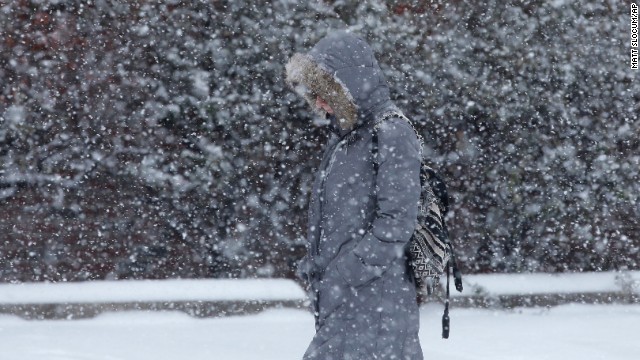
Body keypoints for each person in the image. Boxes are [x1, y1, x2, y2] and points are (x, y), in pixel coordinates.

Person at [285, 30, 423, 360]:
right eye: (313, 93)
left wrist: (347, 273)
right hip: (348, 303)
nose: (317, 102)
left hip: (373, 303)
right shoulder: (348, 138)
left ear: (348, 85)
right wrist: (319, 271)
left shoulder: (390, 131)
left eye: (324, 92)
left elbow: (397, 222)